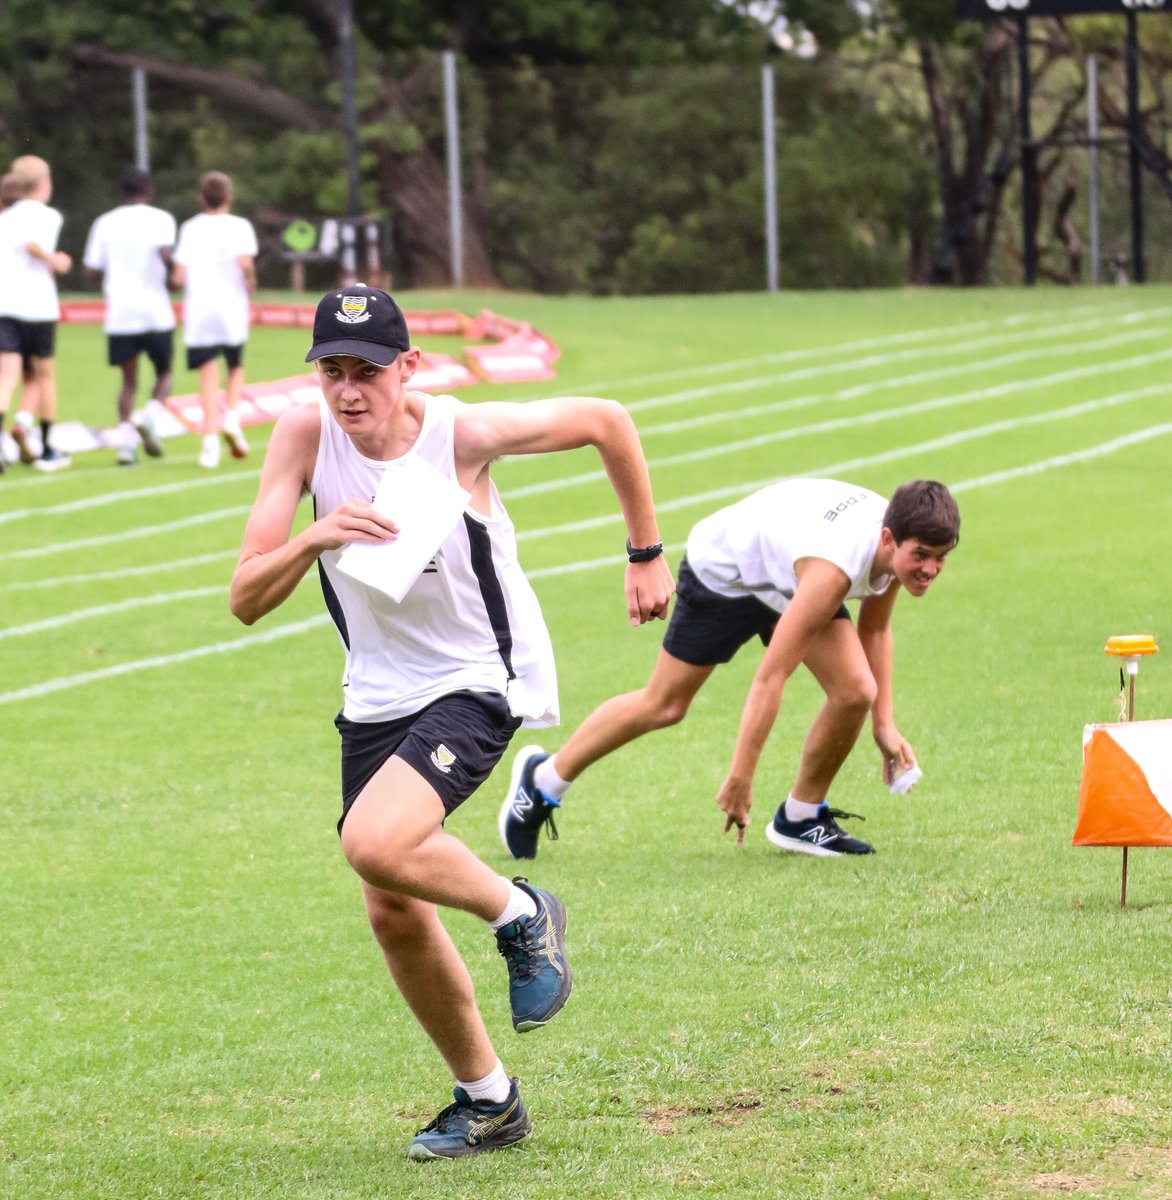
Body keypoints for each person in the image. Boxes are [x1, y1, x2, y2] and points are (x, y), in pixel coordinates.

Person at [229, 284, 674, 1159]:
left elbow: (608, 420)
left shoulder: (458, 434)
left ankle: (521, 913)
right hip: (376, 696)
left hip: (476, 680)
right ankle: (489, 1099)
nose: (348, 392)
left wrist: (646, 554)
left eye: (367, 372)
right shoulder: (303, 436)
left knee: (374, 841)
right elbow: (246, 596)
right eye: (331, 371)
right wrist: (313, 540)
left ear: (409, 367)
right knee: (391, 906)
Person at [500, 477, 960, 860]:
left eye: (941, 557)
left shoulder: (895, 539)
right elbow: (771, 676)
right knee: (664, 704)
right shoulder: (836, 567)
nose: (930, 569)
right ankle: (542, 781)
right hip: (727, 574)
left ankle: (801, 816)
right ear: (888, 539)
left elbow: (874, 632)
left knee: (857, 689)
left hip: (787, 576)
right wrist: (741, 775)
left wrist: (885, 725)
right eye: (920, 555)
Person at [83, 167, 177, 466]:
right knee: (164, 373)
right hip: (155, 311)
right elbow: (166, 255)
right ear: (148, 190)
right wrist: (175, 276)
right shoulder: (162, 219)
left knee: (128, 381)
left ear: (122, 192)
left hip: (120, 313)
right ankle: (149, 417)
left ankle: (126, 445)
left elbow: (90, 270)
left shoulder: (104, 223)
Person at [172, 170, 257, 469]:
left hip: (200, 310)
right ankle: (232, 418)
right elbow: (245, 263)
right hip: (231, 307)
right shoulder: (240, 226)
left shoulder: (190, 228)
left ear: (201, 198)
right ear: (229, 198)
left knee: (207, 374)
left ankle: (209, 442)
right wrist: (250, 281)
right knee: (235, 366)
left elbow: (179, 275)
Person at [0, 156, 73, 472]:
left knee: (8, 375)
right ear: (45, 184)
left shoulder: (5, 218)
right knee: (44, 374)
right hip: (38, 307)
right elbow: (33, 246)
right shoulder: (49, 216)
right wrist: (55, 261)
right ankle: (46, 446)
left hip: (6, 305)